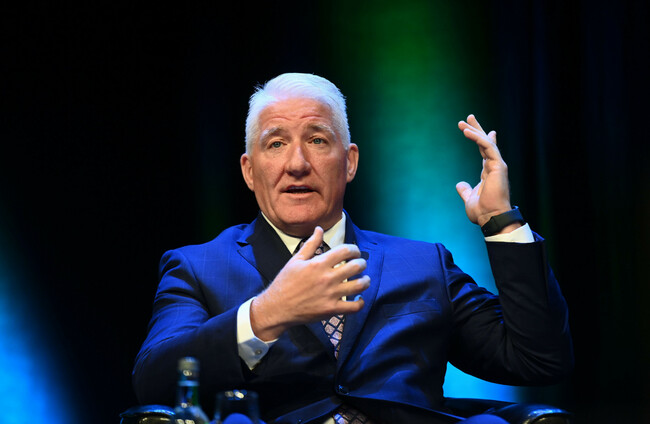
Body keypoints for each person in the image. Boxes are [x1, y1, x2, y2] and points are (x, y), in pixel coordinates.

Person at [132, 73, 573, 424]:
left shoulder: (423, 264)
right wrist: (267, 314)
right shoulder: (199, 267)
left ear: (350, 162)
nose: (297, 163)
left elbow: (538, 361)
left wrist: (501, 222)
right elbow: (154, 382)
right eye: (276, 143)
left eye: (317, 140)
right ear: (250, 171)